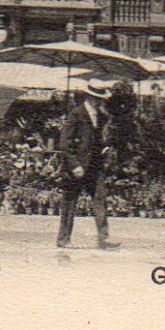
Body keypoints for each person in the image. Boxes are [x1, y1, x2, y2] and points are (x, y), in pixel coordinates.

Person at [56, 81, 118, 250]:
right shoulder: (75, 115)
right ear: (90, 97)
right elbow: (64, 144)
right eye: (98, 99)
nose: (100, 102)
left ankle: (103, 239)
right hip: (75, 168)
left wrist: (105, 149)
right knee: (69, 203)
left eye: (101, 99)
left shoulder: (101, 117)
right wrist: (74, 165)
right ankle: (63, 238)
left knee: (100, 199)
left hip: (94, 167)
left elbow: (97, 142)